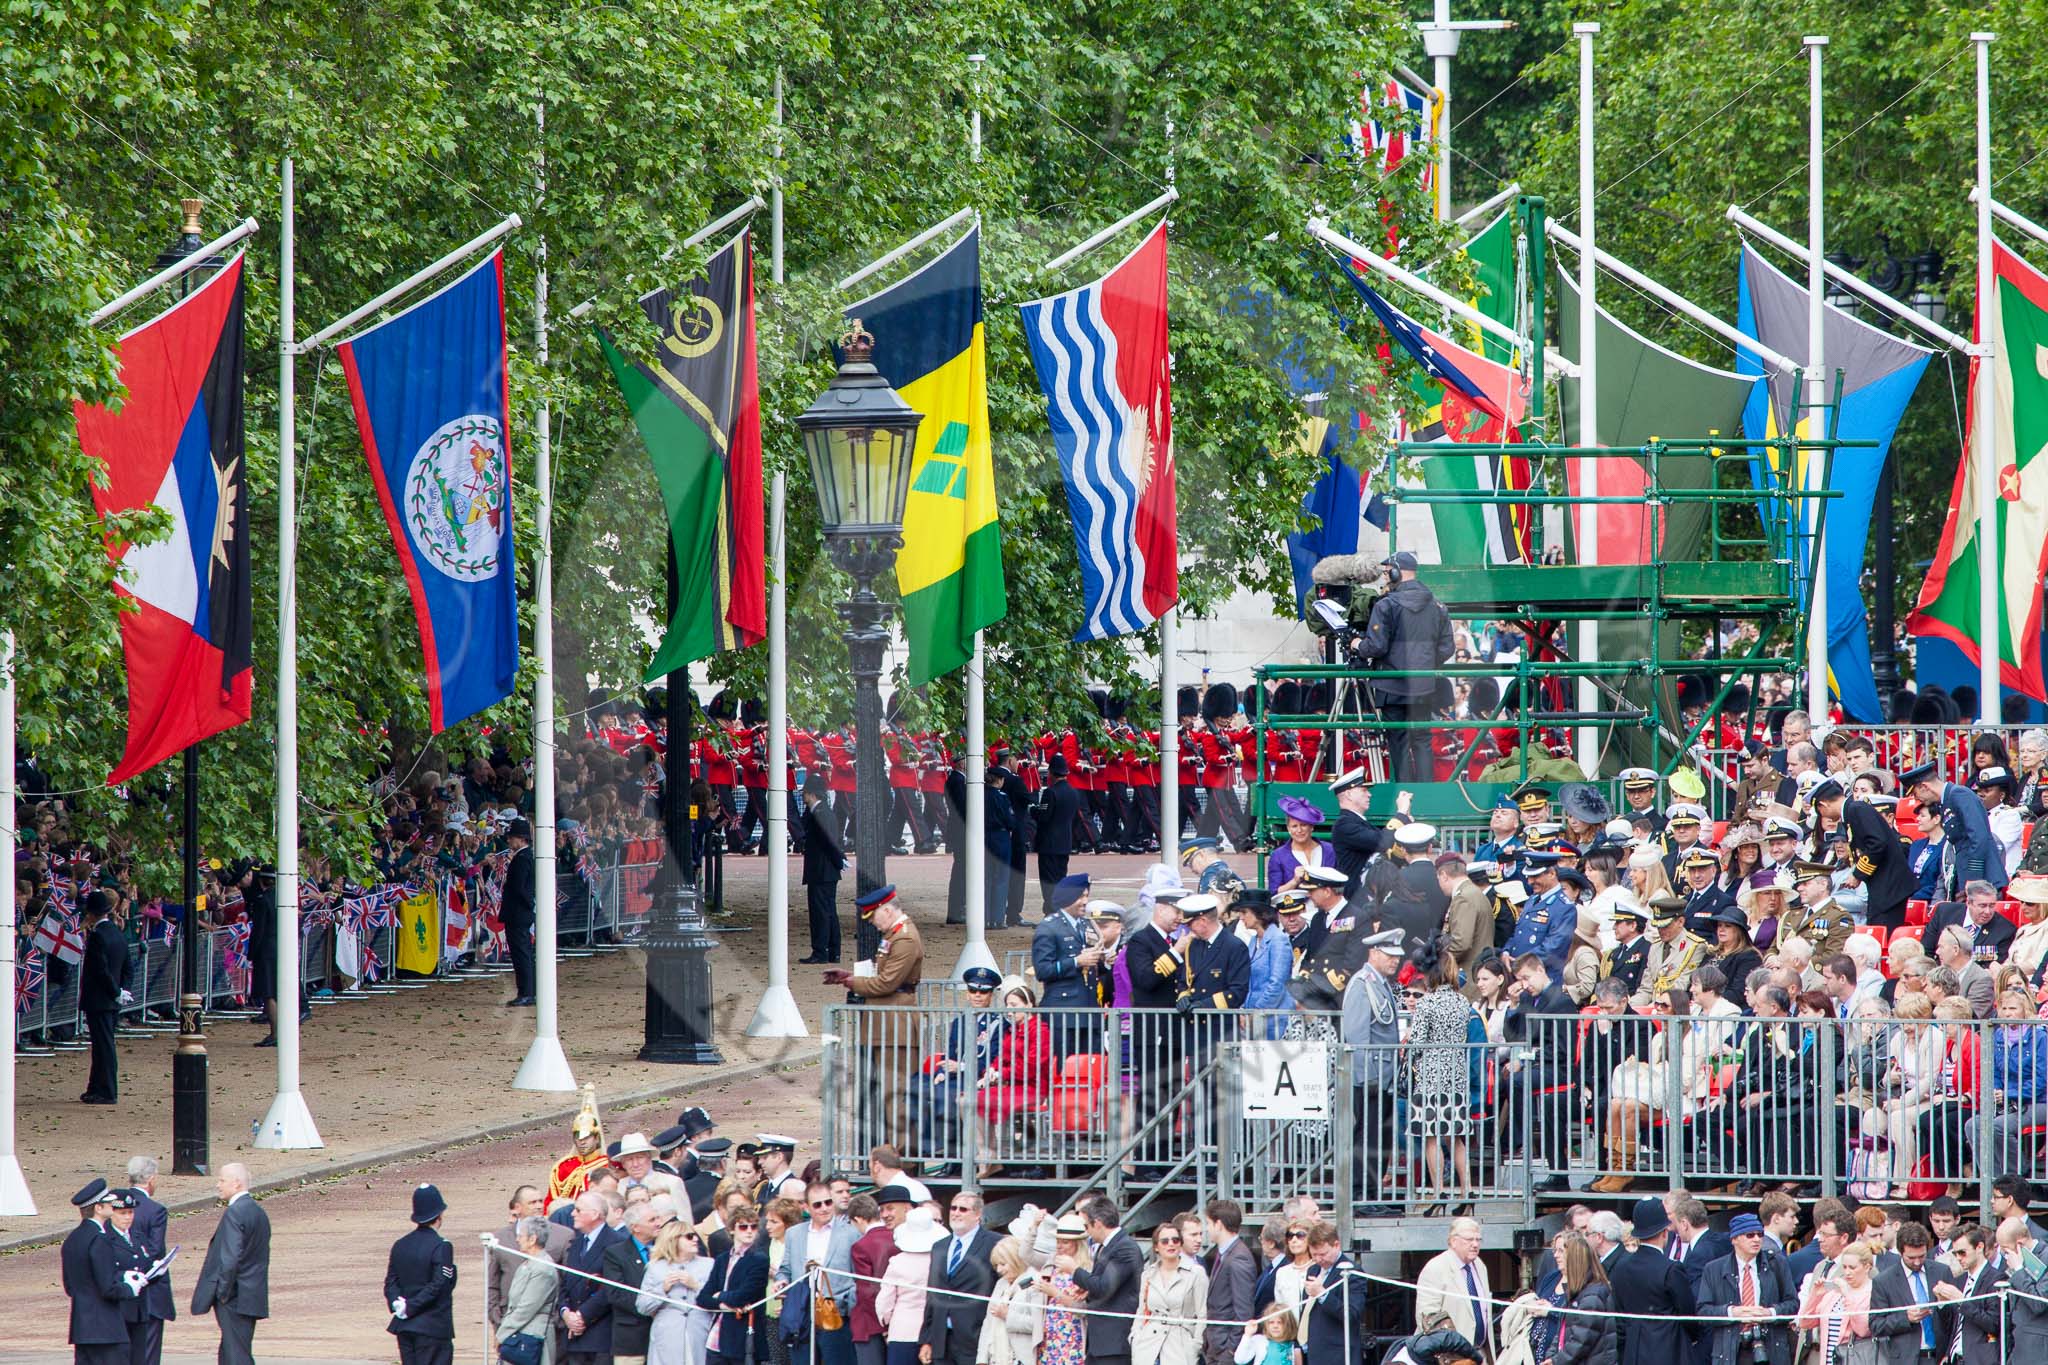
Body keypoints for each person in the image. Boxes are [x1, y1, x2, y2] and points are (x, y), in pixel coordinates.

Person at [826, 887, 925, 1152]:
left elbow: (886, 983)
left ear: (888, 911)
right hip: (886, 1026)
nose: (871, 922)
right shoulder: (893, 936)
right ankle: (898, 1157)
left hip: (896, 1028)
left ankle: (904, 1162)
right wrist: (850, 977)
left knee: (899, 1099)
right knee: (888, 1098)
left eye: (873, 917)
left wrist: (851, 982)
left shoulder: (904, 939)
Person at [1354, 551, 1454, 780]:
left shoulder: (1386, 605)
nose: (1386, 577)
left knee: (1398, 742)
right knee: (1422, 740)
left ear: (1397, 571)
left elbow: (1376, 647)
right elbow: (1447, 648)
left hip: (1392, 686)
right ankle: (1427, 797)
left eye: (1388, 571)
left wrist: (1358, 644)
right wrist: (1425, 662)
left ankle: (1404, 797)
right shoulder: (1438, 606)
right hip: (1423, 685)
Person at [1341, 928, 1404, 1207]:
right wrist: (1368, 1079)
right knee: (1367, 1139)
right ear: (1374, 953)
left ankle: (1373, 1192)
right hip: (1371, 1078)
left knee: (1380, 1139)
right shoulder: (1362, 983)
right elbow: (1357, 1037)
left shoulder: (1378, 982)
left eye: (1397, 956)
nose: (1395, 961)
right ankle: (1361, 1195)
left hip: (1384, 1077)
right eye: (1389, 955)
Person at [1697, 1213, 1796, 1365]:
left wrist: (1770, 1313)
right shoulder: (1713, 1269)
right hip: (1731, 1351)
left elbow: (1793, 1304)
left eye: (1760, 1234)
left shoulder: (1777, 1263)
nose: (1757, 1239)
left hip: (1770, 1347)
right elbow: (1703, 1311)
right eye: (1750, 1235)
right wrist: (1731, 1312)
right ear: (1734, 1239)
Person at [1607, 1199, 1694, 1365]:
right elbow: (1688, 1315)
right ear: (1664, 1232)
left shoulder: (1621, 1267)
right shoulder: (1671, 1269)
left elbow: (1619, 1316)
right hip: (1669, 1352)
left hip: (1632, 1353)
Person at [781, 1180, 857, 1365]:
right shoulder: (793, 1233)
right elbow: (785, 1269)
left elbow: (858, 1276)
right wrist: (782, 1281)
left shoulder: (850, 1233)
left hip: (836, 1313)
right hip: (802, 1313)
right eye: (817, 1204)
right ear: (806, 1207)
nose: (824, 1208)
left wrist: (848, 1303)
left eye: (828, 1202)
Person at [384, 1183, 459, 1365]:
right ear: (439, 1215)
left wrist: (397, 1304)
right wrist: (411, 1306)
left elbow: (391, 1283)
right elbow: (438, 1284)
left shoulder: (401, 1244)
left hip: (405, 1326)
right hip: (432, 1326)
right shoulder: (442, 1246)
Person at [1063, 1198, 1144, 1365]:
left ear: (1098, 1223)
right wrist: (1086, 1288)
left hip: (1115, 1342)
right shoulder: (1106, 1246)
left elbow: (1104, 1286)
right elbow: (1101, 1284)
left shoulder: (1125, 1247)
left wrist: (1075, 1270)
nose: (1086, 1231)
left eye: (1086, 1226)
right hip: (1100, 1342)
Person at [1032, 874, 1102, 1059]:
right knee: (1063, 1070)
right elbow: (1042, 970)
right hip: (1063, 1014)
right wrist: (1076, 962)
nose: (1085, 901)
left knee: (1090, 1067)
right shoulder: (1049, 928)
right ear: (1068, 898)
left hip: (1090, 1011)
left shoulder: (1088, 925)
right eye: (1081, 896)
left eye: (1087, 896)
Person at [1868, 1222, 1954, 1365]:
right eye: (1911, 1257)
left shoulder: (1941, 1271)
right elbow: (1876, 1325)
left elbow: (1954, 1317)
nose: (1917, 1262)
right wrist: (1905, 1318)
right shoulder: (1884, 1281)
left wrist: (1942, 1304)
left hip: (1940, 1357)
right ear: (1901, 1252)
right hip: (1905, 1359)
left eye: (1922, 1256)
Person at [492, 1186, 575, 1327]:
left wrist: (560, 1317)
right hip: (507, 1320)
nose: (539, 1206)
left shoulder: (563, 1235)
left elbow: (568, 1280)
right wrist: (497, 1319)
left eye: (540, 1201)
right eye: (532, 1202)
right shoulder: (500, 1239)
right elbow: (492, 1283)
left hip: (549, 1322)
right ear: (517, 1208)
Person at [1132, 1220, 1209, 1365]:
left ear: (1180, 1244)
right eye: (1164, 1241)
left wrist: (1194, 1347)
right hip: (1147, 1347)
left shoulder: (1196, 1273)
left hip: (1180, 1347)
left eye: (1175, 1240)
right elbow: (1142, 1311)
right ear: (1156, 1247)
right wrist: (1135, 1337)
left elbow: (1202, 1313)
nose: (1171, 1244)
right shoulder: (1148, 1274)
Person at [1534, 1231, 1615, 1365]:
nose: (1555, 1255)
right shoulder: (1576, 1291)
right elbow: (1561, 1332)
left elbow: (1582, 1340)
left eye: (1561, 1251)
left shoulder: (1592, 1295)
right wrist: (1552, 1355)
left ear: (1574, 1257)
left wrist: (1556, 1360)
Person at [638, 1216, 711, 1365]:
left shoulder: (709, 1265)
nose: (695, 1240)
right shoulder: (655, 1267)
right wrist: (662, 1290)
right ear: (674, 1240)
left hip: (700, 1332)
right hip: (667, 1335)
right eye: (690, 1236)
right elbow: (642, 1306)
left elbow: (716, 1298)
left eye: (695, 1236)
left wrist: (695, 1285)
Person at [561, 1192, 623, 1365]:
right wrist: (566, 1313)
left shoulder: (617, 1243)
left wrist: (582, 1315)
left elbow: (611, 1286)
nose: (573, 1214)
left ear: (595, 1214)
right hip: (574, 1333)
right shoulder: (576, 1243)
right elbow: (566, 1282)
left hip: (600, 1334)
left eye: (578, 1210)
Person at [1414, 1218, 1492, 1355]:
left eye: (1478, 1240)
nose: (1475, 1244)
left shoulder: (1480, 1266)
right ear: (1453, 1241)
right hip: (1449, 1356)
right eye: (1469, 1239)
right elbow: (1427, 1319)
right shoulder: (1435, 1268)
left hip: (1480, 1353)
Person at [125, 1155, 175, 1365]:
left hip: (121, 1289)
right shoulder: (155, 1210)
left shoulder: (115, 1203)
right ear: (152, 1179)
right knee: (148, 1353)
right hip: (150, 1291)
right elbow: (155, 1250)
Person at [79, 890, 128, 1104]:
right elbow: (128, 966)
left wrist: (115, 992)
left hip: (100, 998)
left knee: (104, 1046)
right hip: (111, 998)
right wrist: (122, 991)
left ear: (91, 914)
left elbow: (100, 970)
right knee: (101, 1045)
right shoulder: (117, 932)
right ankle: (96, 1086)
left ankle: (106, 1090)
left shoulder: (98, 936)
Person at [703, 1208, 770, 1365]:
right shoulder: (722, 1259)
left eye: (753, 1227)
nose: (749, 1231)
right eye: (743, 1227)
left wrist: (720, 1295)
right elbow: (703, 1297)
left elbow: (744, 1296)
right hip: (717, 1337)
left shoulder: (759, 1259)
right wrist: (723, 1305)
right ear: (731, 1230)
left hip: (743, 1337)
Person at [1297, 1222, 1370, 1365]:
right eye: (1314, 1254)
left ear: (1336, 1245)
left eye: (1323, 1254)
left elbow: (1352, 1314)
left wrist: (1323, 1294)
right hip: (1313, 1352)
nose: (1318, 1259)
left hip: (1339, 1356)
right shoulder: (1313, 1270)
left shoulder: (1353, 1273)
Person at [876, 1208, 940, 1365]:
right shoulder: (940, 1261)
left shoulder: (897, 1262)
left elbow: (884, 1302)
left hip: (902, 1330)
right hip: (932, 1332)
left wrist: (886, 1321)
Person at [604, 1201, 665, 1365]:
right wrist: (649, 1307)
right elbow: (616, 1294)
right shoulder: (616, 1253)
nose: (659, 1223)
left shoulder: (667, 1250)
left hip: (664, 1335)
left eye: (658, 1218)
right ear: (636, 1227)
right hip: (631, 1338)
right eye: (652, 1220)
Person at [1794, 1242, 1874, 1365]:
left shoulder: (1873, 1292)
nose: (1847, 1272)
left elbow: (1863, 1329)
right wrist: (1816, 1294)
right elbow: (1805, 1322)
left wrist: (1848, 1294)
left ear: (1867, 1267)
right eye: (1844, 1267)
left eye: (1852, 1268)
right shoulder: (1835, 1293)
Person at [499, 1215, 564, 1365]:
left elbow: (526, 1308)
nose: (517, 1239)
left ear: (532, 1239)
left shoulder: (542, 1268)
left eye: (521, 1236)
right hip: (519, 1334)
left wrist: (502, 1334)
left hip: (533, 1338)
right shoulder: (527, 1264)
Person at [977, 1236, 1045, 1365]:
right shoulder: (1000, 1284)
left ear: (1016, 1260)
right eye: (996, 1265)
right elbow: (988, 1322)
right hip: (995, 1358)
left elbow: (1039, 1325)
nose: (999, 1270)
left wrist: (1008, 1316)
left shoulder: (1036, 1282)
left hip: (1022, 1358)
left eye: (1003, 1264)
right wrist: (982, 1359)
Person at [801, 785, 847, 963]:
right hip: (826, 871)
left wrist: (838, 860)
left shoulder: (820, 813)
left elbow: (828, 841)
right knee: (829, 911)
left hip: (820, 870)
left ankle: (821, 951)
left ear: (812, 794)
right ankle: (833, 951)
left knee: (820, 912)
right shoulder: (823, 811)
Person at [1040, 1214, 1093, 1365]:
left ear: (1078, 1244)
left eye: (1065, 1242)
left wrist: (1055, 1293)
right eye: (1057, 1241)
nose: (1059, 1246)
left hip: (1073, 1335)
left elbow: (1082, 1308)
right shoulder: (1053, 1263)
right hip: (1049, 1335)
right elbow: (1026, 1254)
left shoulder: (1086, 1269)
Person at [501, 817, 538, 1004]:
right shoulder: (525, 857)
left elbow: (519, 888)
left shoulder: (522, 859)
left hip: (518, 912)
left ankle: (526, 992)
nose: (509, 841)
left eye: (512, 837)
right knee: (524, 952)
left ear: (521, 839)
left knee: (521, 953)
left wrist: (527, 904)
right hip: (521, 912)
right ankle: (529, 991)